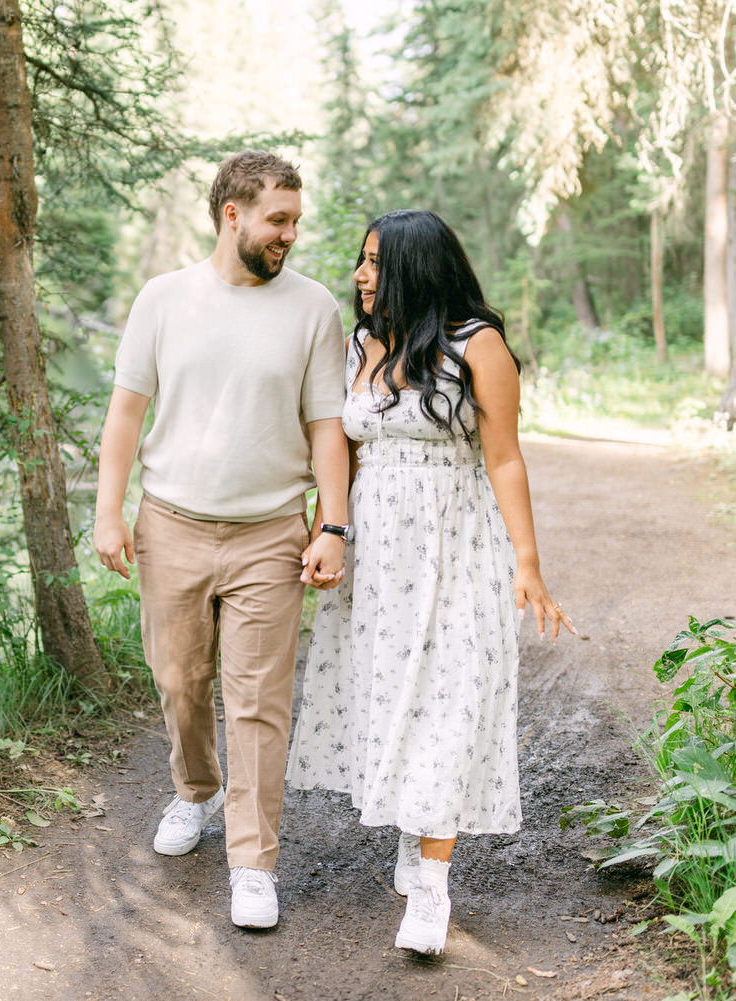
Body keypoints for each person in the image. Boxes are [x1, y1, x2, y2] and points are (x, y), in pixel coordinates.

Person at [286, 209, 574, 956]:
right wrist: (331, 530)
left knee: (451, 696)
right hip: (378, 558)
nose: (361, 274)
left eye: (377, 262)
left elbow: (505, 458)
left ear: (418, 268)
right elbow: (340, 452)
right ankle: (415, 833)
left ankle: (433, 888)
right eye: (362, 259)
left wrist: (529, 562)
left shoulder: (478, 347)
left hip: (454, 546)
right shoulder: (361, 344)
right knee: (396, 693)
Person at [94, 150, 350, 929]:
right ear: (231, 214)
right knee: (179, 680)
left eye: (296, 221)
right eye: (278, 220)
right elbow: (126, 414)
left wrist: (332, 523)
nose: (290, 235)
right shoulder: (164, 299)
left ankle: (253, 860)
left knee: (260, 701)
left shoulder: (313, 308)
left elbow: (327, 427)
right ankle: (195, 790)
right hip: (169, 523)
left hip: (270, 533)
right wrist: (109, 512)